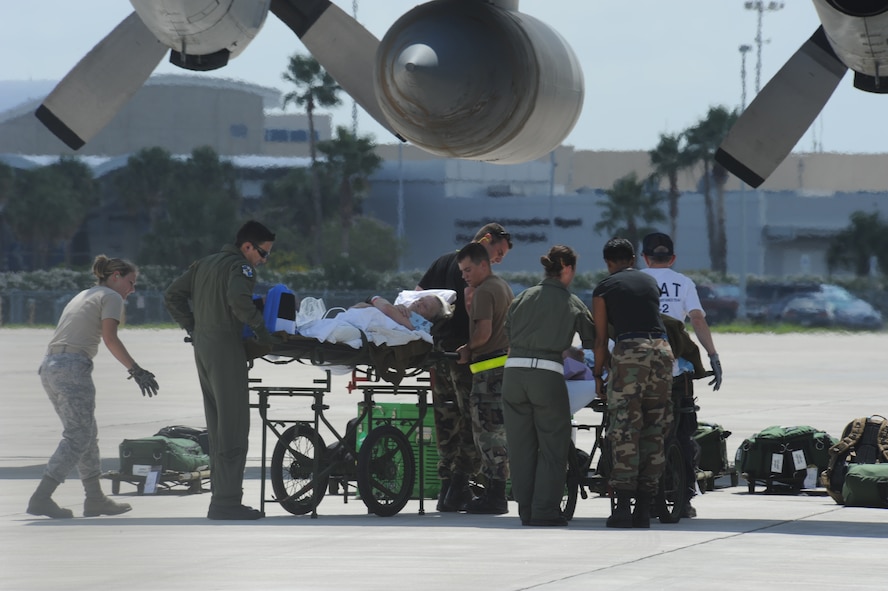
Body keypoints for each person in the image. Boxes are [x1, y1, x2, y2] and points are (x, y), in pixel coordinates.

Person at [164, 220, 280, 520]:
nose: (263, 261)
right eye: (262, 254)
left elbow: (172, 295)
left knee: (217, 425)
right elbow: (238, 302)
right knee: (234, 425)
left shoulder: (204, 264)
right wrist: (263, 331)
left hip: (203, 347)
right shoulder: (240, 268)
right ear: (247, 247)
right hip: (226, 348)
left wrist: (193, 326)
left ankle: (221, 496)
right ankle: (227, 501)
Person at [28, 255, 159, 519]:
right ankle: (42, 496)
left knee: (86, 433)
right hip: (72, 367)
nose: (132, 289)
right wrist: (136, 370)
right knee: (78, 436)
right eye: (131, 282)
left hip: (51, 366)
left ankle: (95, 498)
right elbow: (110, 339)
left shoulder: (86, 293)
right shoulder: (111, 296)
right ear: (116, 277)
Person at [416, 222, 513, 512]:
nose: (498, 259)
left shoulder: (442, 262)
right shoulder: (480, 280)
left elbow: (416, 297)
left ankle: (448, 489)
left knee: (446, 421)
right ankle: (458, 484)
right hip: (465, 357)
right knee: (474, 422)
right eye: (498, 251)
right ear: (486, 240)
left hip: (440, 353)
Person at [502, 245, 596, 526]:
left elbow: (510, 332)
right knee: (553, 445)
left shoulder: (523, 297)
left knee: (520, 447)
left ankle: (525, 509)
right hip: (546, 377)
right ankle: (544, 511)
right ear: (567, 269)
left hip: (513, 376)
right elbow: (592, 339)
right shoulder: (570, 301)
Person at [592, 237, 674, 529]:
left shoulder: (605, 287)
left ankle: (624, 507)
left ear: (609, 262)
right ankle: (644, 508)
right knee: (654, 429)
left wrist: (598, 373)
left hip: (631, 355)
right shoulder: (650, 282)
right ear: (633, 258)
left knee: (626, 428)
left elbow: (601, 339)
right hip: (662, 353)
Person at [640, 231, 723, 519]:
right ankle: (684, 499)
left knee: (639, 431)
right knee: (682, 435)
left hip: (636, 372)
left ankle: (640, 494)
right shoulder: (683, 283)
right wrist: (712, 355)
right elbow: (697, 318)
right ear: (672, 258)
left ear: (644, 257)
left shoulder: (636, 281)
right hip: (676, 374)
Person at [454, 242, 514, 514]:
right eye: (462, 271)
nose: (465, 275)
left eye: (468, 269)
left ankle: (495, 496)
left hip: (489, 372)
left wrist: (467, 349)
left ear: (482, 264)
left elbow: (483, 334)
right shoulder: (502, 286)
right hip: (503, 368)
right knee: (497, 433)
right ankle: (495, 492)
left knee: (487, 435)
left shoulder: (484, 292)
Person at [353, 292, 454, 334]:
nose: (418, 303)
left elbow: (386, 308)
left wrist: (375, 299)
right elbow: (356, 308)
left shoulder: (422, 326)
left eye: (425, 306)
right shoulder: (399, 312)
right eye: (420, 299)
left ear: (429, 319)